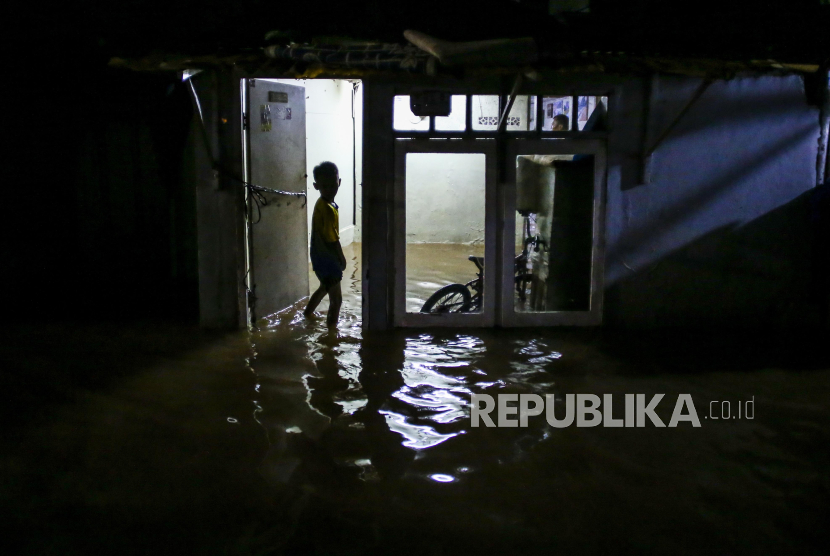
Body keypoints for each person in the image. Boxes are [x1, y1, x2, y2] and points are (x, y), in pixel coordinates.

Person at [304, 161, 347, 327]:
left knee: (324, 287)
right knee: (336, 300)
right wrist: (341, 258)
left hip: (318, 257)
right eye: (325, 186)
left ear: (339, 182)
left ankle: (307, 315)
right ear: (316, 186)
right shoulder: (327, 208)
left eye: (333, 185)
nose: (330, 189)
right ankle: (331, 335)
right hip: (327, 259)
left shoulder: (323, 204)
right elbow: (333, 239)